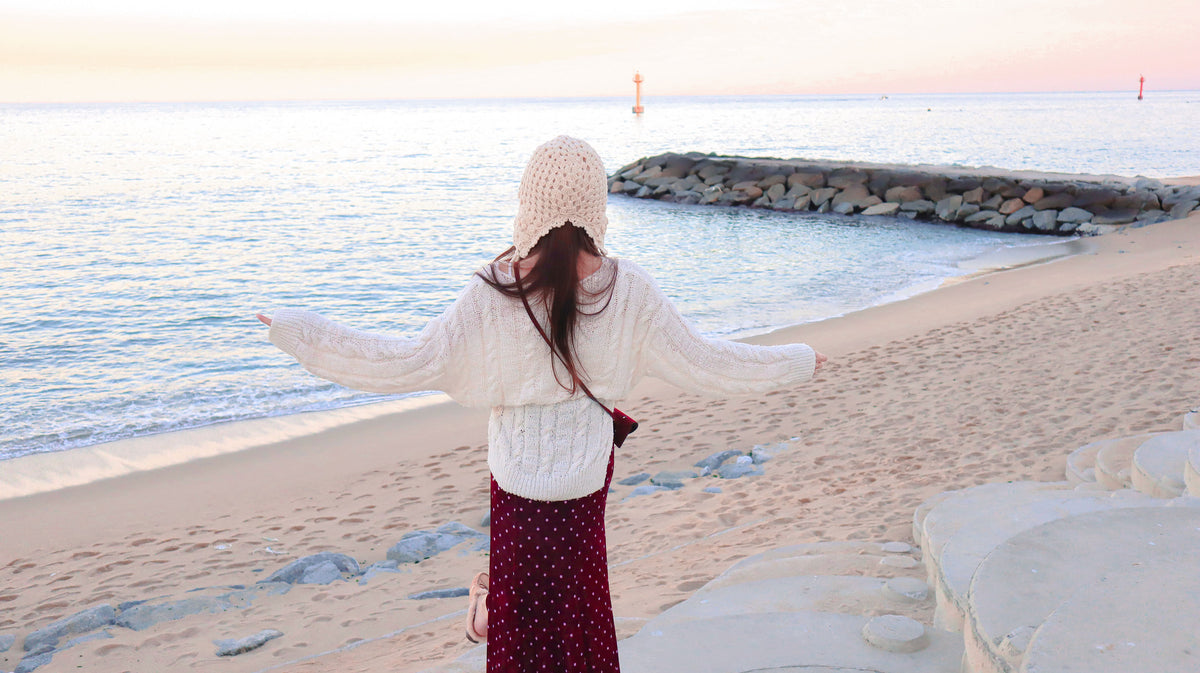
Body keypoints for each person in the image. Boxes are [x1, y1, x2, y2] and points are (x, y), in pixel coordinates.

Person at [257, 135, 826, 673]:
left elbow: (403, 361)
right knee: (579, 620)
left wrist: (300, 332)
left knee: (521, 631)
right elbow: (707, 362)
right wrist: (793, 361)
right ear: (594, 207)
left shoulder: (491, 291)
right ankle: (488, 611)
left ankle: (485, 613)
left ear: (529, 205)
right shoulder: (629, 291)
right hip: (582, 490)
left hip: (517, 494)